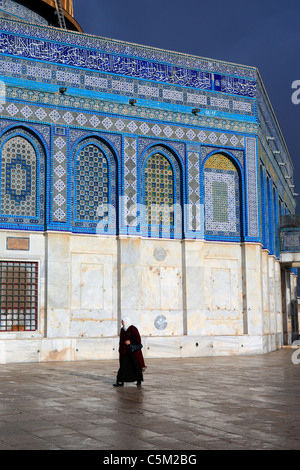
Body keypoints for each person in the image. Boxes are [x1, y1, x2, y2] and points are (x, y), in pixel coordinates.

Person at [113, 317, 146, 387]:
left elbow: (138, 340)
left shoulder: (133, 329)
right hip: (124, 352)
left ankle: (139, 380)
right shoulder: (122, 330)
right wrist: (121, 350)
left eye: (123, 321)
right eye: (122, 321)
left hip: (132, 352)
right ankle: (120, 381)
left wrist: (130, 342)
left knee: (135, 366)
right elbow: (121, 341)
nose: (121, 322)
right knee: (123, 366)